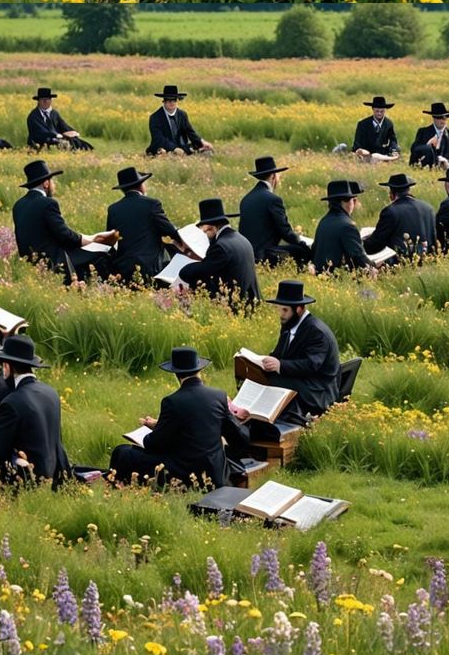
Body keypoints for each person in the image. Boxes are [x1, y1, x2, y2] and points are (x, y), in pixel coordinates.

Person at [111, 346, 252, 487]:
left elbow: (153, 444)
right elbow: (239, 436)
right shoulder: (218, 396)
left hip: (185, 473)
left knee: (122, 452)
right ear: (200, 370)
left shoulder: (172, 402)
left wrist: (155, 429)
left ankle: (117, 486)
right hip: (215, 473)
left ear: (176, 374)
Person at [0, 333, 69, 486]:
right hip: (54, 475)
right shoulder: (51, 393)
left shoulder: (12, 403)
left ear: (7, 366)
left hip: (27, 479)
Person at [12, 158, 111, 283]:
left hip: (30, 263)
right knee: (102, 250)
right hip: (54, 261)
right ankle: (103, 289)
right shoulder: (48, 203)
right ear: (46, 184)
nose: (53, 185)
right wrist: (89, 239)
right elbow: (64, 235)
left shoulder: (18, 205)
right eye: (52, 181)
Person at [256, 280, 341, 424]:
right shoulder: (290, 324)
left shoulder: (316, 332)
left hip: (317, 390)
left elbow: (311, 364)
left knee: (271, 382)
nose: (281, 315)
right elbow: (280, 354)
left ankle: (271, 424)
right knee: (257, 375)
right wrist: (264, 361)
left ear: (299, 309)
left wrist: (280, 366)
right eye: (279, 309)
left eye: (285, 310)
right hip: (302, 381)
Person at [103, 164, 181, 283]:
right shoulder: (152, 204)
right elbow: (169, 231)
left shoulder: (113, 209)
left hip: (123, 268)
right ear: (141, 186)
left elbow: (111, 240)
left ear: (123, 189)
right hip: (150, 267)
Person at [239, 156, 307, 268]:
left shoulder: (246, 199)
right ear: (273, 176)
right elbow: (284, 231)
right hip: (264, 256)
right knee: (300, 251)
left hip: (247, 255)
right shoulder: (273, 199)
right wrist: (301, 242)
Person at [310, 178, 369, 273]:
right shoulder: (347, 226)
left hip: (321, 276)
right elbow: (359, 258)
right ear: (345, 202)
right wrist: (375, 267)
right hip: (337, 277)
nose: (354, 204)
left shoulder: (323, 221)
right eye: (353, 200)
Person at [146, 84, 208, 154]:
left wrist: (202, 141)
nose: (172, 102)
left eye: (174, 100)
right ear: (164, 101)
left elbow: (190, 131)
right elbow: (158, 138)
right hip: (163, 147)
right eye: (169, 100)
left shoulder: (182, 114)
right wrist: (174, 148)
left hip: (181, 147)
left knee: (201, 148)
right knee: (161, 151)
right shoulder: (155, 117)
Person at [352, 95, 399, 159]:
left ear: (385, 110)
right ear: (373, 110)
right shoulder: (362, 124)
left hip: (382, 153)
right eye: (377, 111)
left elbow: (393, 140)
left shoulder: (388, 123)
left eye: (382, 111)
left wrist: (394, 151)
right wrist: (360, 151)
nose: (379, 113)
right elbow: (357, 143)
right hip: (366, 153)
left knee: (397, 151)